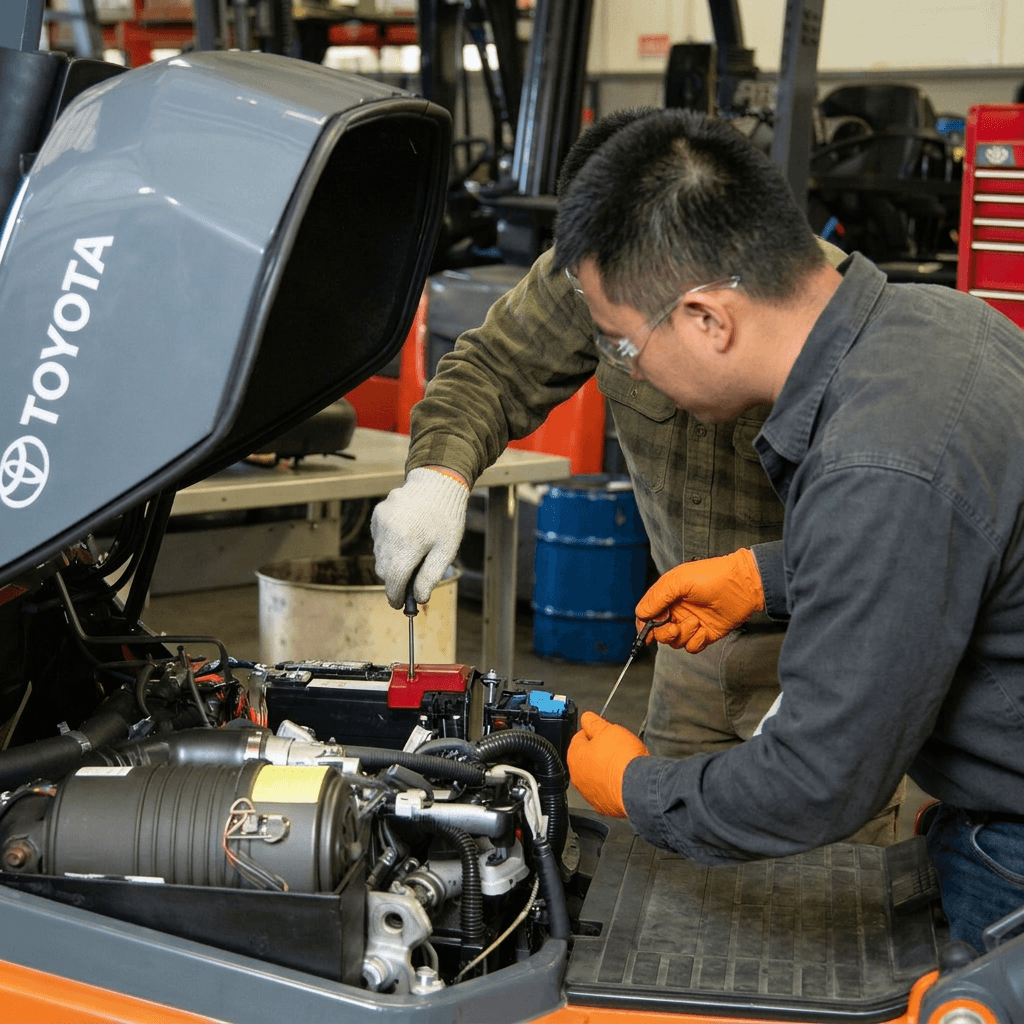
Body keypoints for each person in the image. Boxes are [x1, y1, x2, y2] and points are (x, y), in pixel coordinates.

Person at [558, 107, 1024, 953]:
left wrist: (634, 788)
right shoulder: (935, 324)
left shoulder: (877, 460)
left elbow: (819, 781)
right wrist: (766, 578)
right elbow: (954, 543)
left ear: (707, 318)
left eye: (625, 348)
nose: (631, 372)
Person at [371, 106, 903, 846]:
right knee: (672, 896)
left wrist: (834, 697)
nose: (618, 347)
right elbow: (492, 368)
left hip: (822, 655)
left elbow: (893, 552)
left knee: (822, 902)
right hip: (687, 645)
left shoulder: (810, 318)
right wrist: (438, 477)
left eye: (626, 339)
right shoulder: (597, 270)